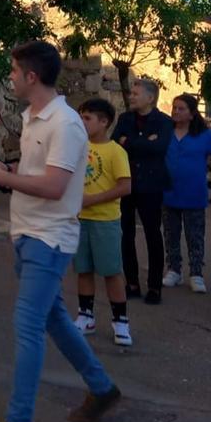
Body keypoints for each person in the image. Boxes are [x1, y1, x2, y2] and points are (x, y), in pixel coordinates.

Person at [0, 41, 119, 422]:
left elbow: (54, 188)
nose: (12, 76)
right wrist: (9, 170)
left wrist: (2, 176)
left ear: (32, 76)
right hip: (29, 233)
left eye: (16, 71)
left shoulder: (65, 123)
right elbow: (43, 174)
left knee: (29, 325)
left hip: (49, 238)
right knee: (52, 318)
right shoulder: (36, 118)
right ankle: (102, 388)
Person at [72, 99, 134, 347]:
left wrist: (91, 200)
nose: (82, 122)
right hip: (80, 220)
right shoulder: (77, 146)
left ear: (104, 122)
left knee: (110, 271)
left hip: (105, 221)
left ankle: (121, 321)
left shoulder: (116, 152)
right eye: (81, 116)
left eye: (88, 118)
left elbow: (125, 186)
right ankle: (86, 316)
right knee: (83, 269)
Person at [112, 79, 173, 305]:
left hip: (151, 185)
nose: (131, 97)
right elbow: (114, 143)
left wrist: (130, 142)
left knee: (152, 234)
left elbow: (159, 148)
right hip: (126, 183)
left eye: (136, 93)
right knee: (126, 234)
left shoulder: (164, 122)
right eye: (131, 93)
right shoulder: (124, 119)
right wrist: (143, 142)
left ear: (150, 97)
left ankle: (155, 286)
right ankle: (132, 282)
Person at [162, 94, 211, 294]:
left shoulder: (204, 135)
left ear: (192, 113)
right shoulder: (166, 132)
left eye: (181, 109)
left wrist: (210, 163)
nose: (176, 112)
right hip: (168, 191)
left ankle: (196, 273)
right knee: (171, 233)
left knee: (195, 235)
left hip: (194, 192)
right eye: (174, 108)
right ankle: (174, 269)